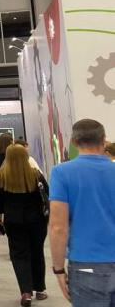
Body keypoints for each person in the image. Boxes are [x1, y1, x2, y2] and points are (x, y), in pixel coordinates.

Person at [49, 119, 115, 306]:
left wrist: (58, 269)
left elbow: (58, 227)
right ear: (104, 140)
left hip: (86, 265)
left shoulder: (62, 173)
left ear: (74, 142)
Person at [0, 144, 49, 307]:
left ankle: (26, 292)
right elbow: (47, 194)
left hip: (13, 221)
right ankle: (40, 289)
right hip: (37, 221)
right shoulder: (35, 174)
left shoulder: (2, 176)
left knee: (19, 255)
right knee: (37, 252)